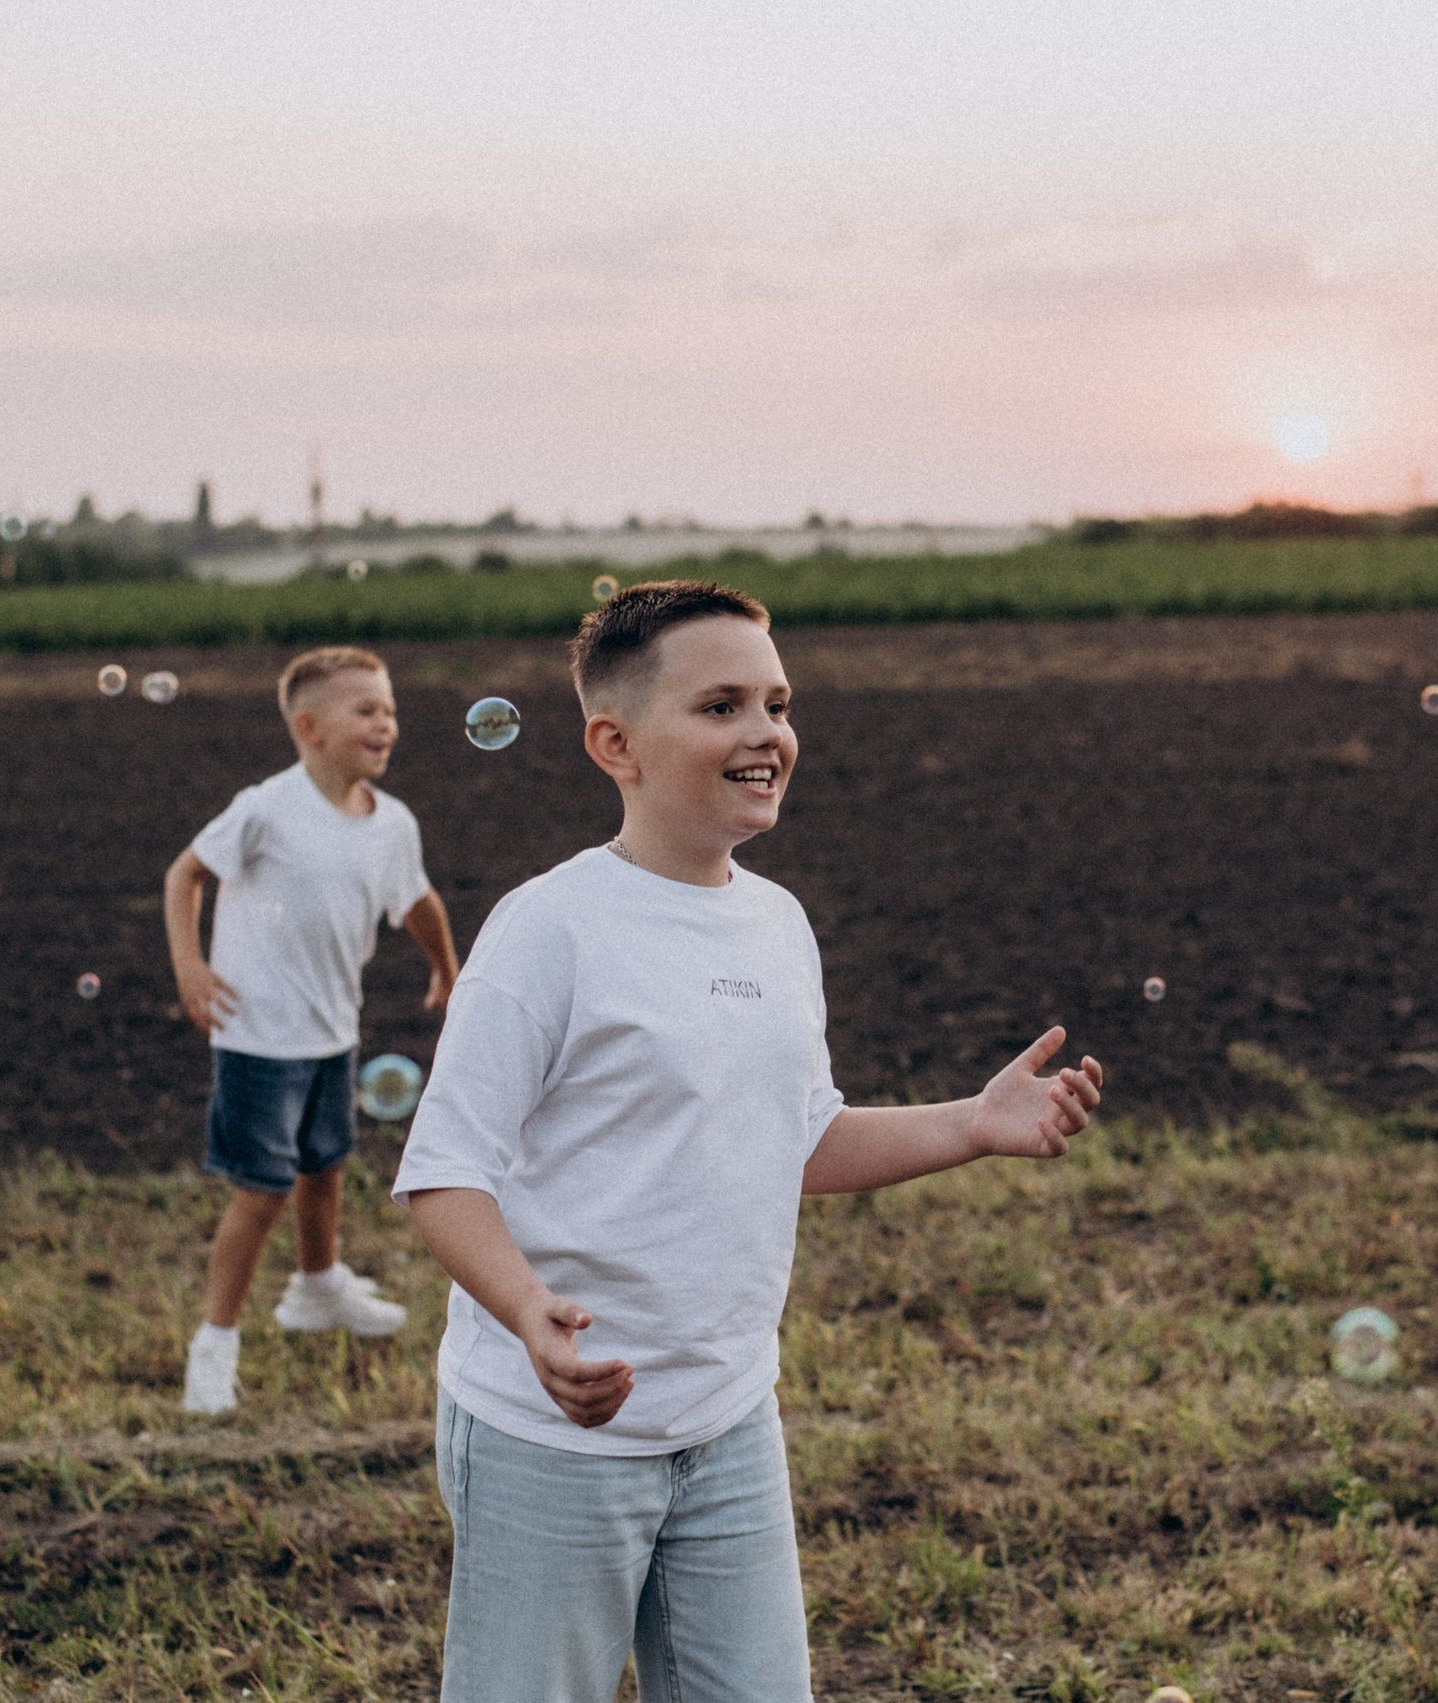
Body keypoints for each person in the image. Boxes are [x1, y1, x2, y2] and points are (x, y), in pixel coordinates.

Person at [394, 581, 1102, 1700]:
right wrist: (528, 1310)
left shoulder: (776, 921)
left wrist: (970, 1124)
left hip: (726, 1421)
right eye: (721, 705)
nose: (766, 732)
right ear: (614, 743)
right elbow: (444, 1169)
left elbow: (800, 1138)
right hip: (554, 1439)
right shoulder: (550, 927)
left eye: (776, 702)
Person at [166, 645, 460, 1416]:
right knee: (261, 1190)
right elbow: (184, 873)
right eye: (365, 709)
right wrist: (190, 966)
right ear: (309, 726)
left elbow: (419, 899)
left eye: (389, 710)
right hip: (257, 1036)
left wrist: (446, 967)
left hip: (331, 1030)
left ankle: (317, 1287)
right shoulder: (267, 807)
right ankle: (214, 1343)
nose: (385, 723)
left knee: (325, 1163)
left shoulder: (391, 822)